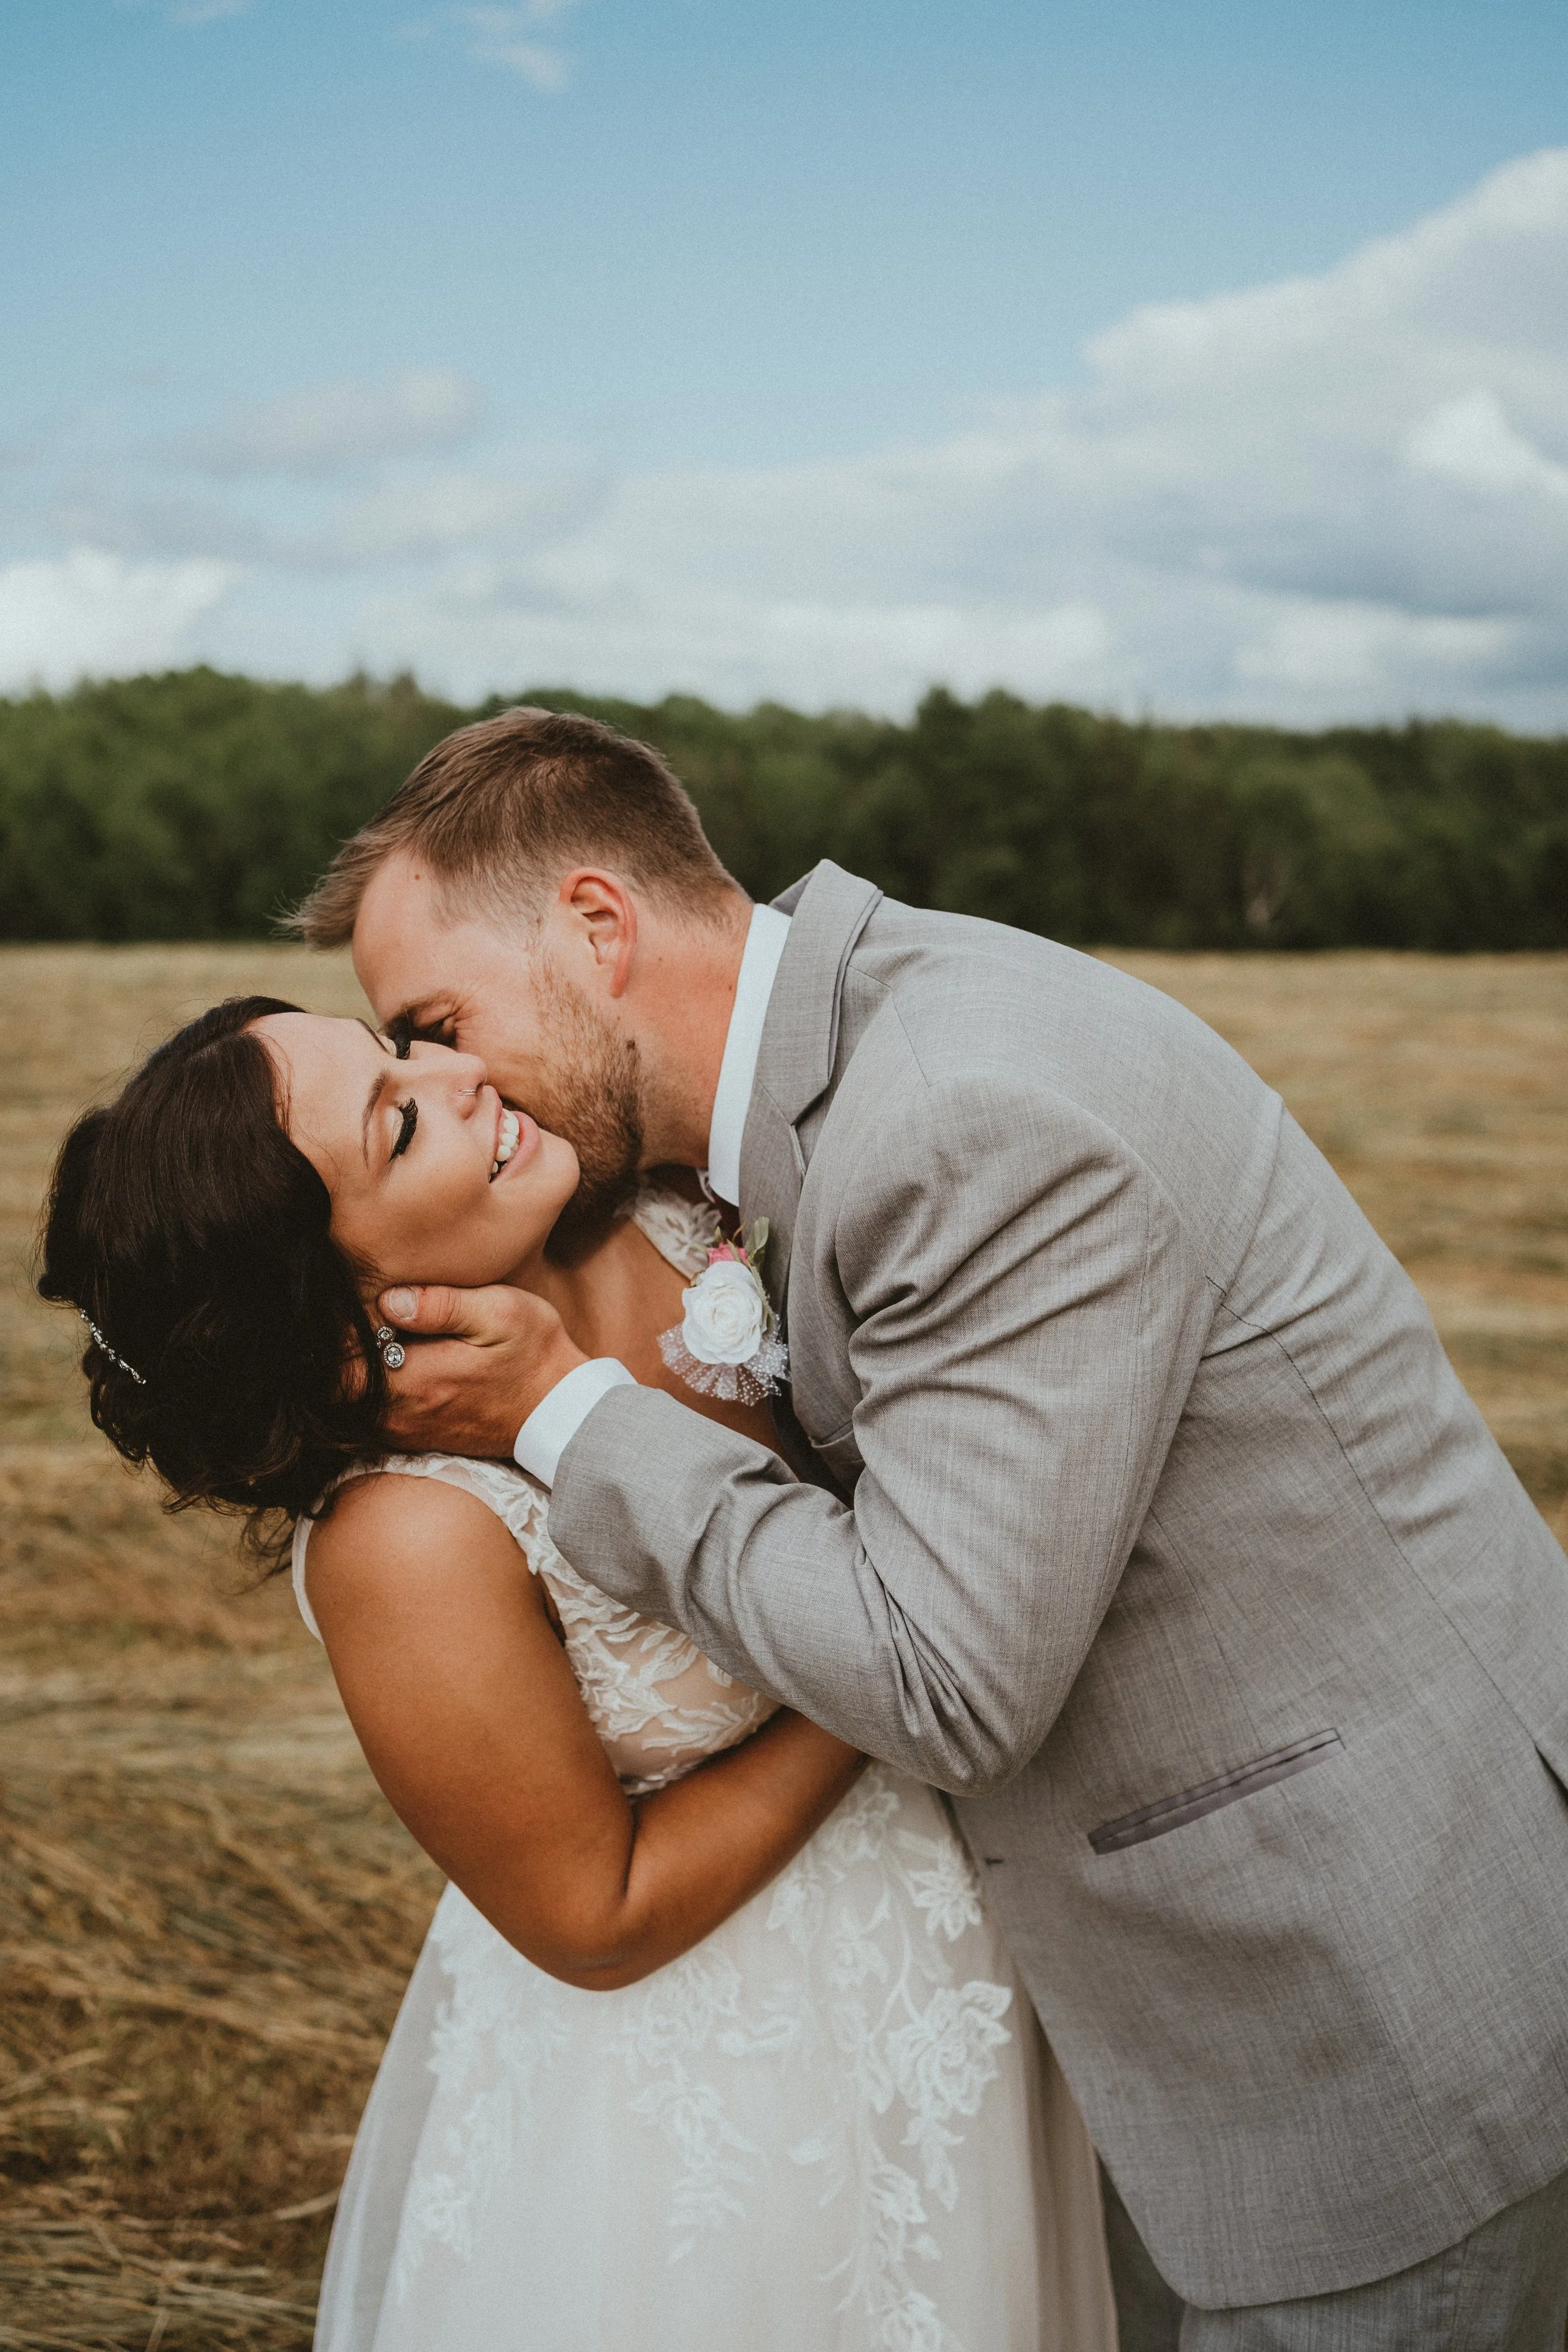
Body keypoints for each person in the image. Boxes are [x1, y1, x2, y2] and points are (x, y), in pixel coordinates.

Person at [290, 704, 1568, 2351]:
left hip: (1354, 2026)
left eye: (438, 1019)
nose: (450, 1082)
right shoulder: (831, 1073)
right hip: (1193, 2001)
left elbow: (949, 1680)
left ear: (595, 927)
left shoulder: (961, 1110)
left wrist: (562, 1414)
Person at [39, 996, 1117, 2352]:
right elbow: (593, 1914)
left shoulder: (664, 1213)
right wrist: (906, 1643)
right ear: (341, 1317)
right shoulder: (410, 1540)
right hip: (730, 2086)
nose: (457, 1071)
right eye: (402, 1118)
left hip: (961, 1962)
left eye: (399, 1046)